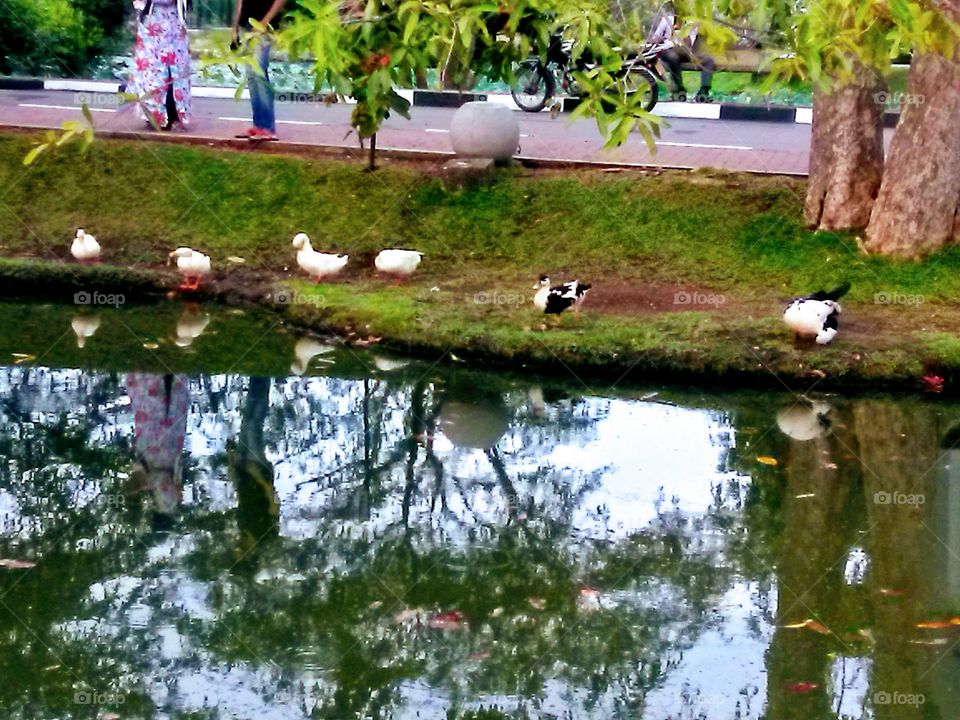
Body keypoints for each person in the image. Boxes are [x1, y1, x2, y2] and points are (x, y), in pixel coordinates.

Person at [127, 0, 192, 130]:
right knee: (153, 69)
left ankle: (173, 114)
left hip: (174, 20)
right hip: (153, 20)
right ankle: (154, 114)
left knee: (175, 67)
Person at [231, 0, 288, 141]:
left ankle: (268, 127)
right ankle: (258, 126)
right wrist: (234, 27)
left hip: (265, 27)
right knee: (251, 75)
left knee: (259, 72)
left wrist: (264, 22)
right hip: (246, 25)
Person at [649, 5, 715, 102]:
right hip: (668, 50)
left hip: (685, 51)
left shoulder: (692, 23)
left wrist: (684, 31)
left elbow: (689, 43)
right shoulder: (667, 20)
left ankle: (704, 90)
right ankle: (679, 89)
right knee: (673, 57)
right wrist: (659, 39)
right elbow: (655, 38)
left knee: (708, 60)